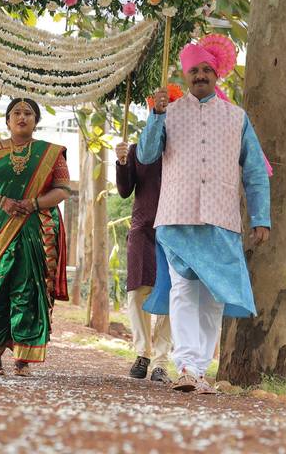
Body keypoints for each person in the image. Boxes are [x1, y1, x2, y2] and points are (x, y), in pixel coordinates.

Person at [138, 34, 271, 394]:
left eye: (205, 69)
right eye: (193, 70)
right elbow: (147, 156)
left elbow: (256, 171)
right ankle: (186, 366)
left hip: (220, 217)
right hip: (177, 216)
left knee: (213, 297)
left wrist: (261, 218)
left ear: (216, 74)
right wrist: (155, 116)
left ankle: (198, 368)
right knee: (182, 290)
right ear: (185, 76)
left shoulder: (236, 117)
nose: (200, 75)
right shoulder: (168, 113)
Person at [0, 98, 71, 376]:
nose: (22, 117)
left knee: (28, 289)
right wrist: (1, 201)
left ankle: (22, 359)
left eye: (28, 113)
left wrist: (35, 204)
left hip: (35, 227)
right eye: (16, 113)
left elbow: (63, 189)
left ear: (36, 121)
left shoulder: (51, 153)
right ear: (7, 120)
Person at [115, 114, 172, 384]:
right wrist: (122, 161)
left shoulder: (183, 151)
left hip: (175, 230)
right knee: (137, 292)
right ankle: (142, 354)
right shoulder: (139, 150)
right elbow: (125, 190)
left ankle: (161, 362)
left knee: (172, 294)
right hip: (143, 230)